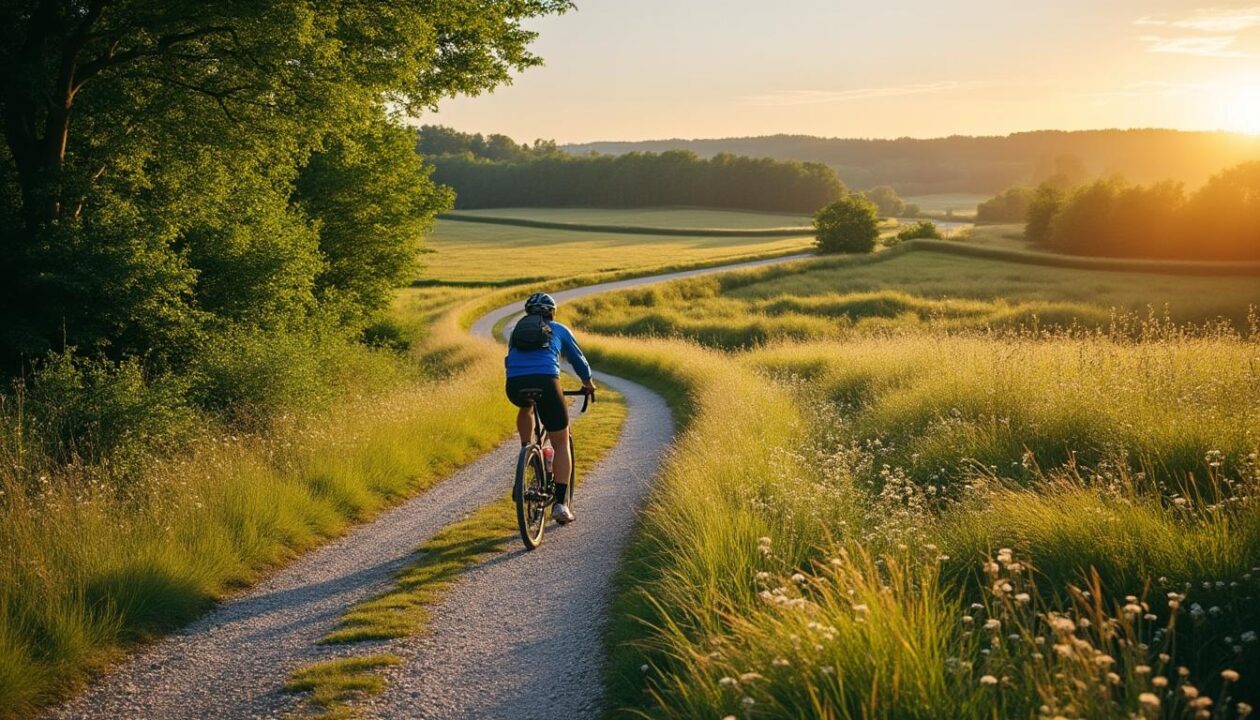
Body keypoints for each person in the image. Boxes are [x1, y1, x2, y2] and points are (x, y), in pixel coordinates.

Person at [504, 292, 596, 524]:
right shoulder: (559, 329)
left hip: (515, 385)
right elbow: (578, 360)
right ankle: (561, 504)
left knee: (526, 407)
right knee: (561, 440)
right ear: (551, 312)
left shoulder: (517, 332)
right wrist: (587, 383)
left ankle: (526, 454)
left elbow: (510, 359)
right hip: (547, 382)